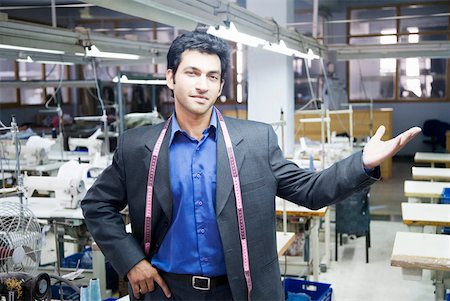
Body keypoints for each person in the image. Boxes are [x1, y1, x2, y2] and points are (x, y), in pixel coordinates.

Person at [81, 31, 421, 301]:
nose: (202, 84)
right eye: (192, 73)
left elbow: (310, 191)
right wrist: (132, 262)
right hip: (168, 291)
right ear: (171, 78)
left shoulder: (256, 141)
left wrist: (363, 161)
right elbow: (97, 205)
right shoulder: (137, 147)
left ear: (220, 85)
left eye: (212, 76)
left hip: (242, 290)